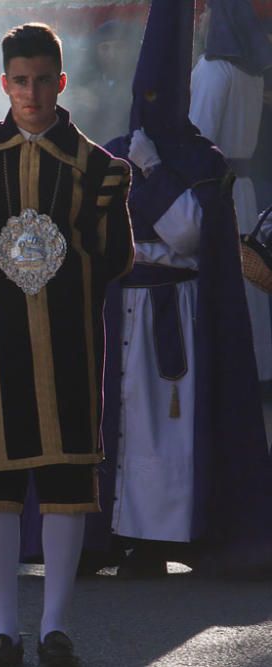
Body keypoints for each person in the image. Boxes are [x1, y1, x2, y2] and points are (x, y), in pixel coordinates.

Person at [0, 23, 133, 667]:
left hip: (66, 344)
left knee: (67, 478)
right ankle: (5, 630)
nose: (32, 93)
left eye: (43, 80)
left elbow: (117, 256)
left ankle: (56, 628)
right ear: (3, 84)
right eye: (20, 81)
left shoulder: (98, 168)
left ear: (60, 82)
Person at [93, 0, 272, 579]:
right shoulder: (117, 149)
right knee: (123, 419)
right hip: (126, 305)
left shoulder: (196, 153)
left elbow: (190, 232)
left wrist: (151, 174)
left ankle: (165, 534)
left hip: (176, 304)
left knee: (167, 426)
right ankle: (121, 529)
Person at [190, 0, 272, 382]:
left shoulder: (214, 70)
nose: (202, 18)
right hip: (243, 189)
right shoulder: (253, 73)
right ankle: (256, 369)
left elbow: (199, 138)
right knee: (247, 284)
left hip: (218, 192)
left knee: (225, 281)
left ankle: (231, 372)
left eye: (207, 11)